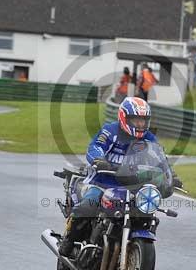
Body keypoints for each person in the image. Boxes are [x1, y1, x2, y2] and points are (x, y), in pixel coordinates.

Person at [58, 97, 161, 257]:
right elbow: (96, 146)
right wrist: (99, 160)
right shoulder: (111, 131)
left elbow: (160, 158)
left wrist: (169, 175)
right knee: (89, 206)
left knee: (145, 211)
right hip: (100, 182)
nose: (140, 124)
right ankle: (69, 242)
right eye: (135, 120)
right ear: (124, 118)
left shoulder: (149, 139)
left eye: (143, 120)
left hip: (130, 186)